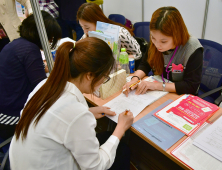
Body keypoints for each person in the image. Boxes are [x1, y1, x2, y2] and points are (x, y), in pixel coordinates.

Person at [9, 37, 134, 170]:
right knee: (121, 151)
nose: (103, 81)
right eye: (104, 77)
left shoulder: (45, 84)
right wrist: (121, 128)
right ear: (89, 75)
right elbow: (96, 166)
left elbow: (54, 118)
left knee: (108, 139)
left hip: (24, 163)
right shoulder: (75, 112)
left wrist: (88, 112)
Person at [0, 11, 61, 141]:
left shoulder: (15, 44)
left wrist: (44, 67)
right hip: (11, 117)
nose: (50, 41)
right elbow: (42, 89)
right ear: (43, 36)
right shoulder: (30, 50)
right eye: (50, 38)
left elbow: (23, 70)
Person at [123, 6, 203, 96]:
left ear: (177, 35)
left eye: (163, 41)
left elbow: (191, 86)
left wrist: (156, 86)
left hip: (182, 95)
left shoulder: (192, 48)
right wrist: (134, 79)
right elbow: (145, 64)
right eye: (153, 38)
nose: (157, 45)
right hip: (161, 92)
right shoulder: (157, 41)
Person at [77, 2, 142, 61]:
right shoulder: (88, 34)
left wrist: (121, 59)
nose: (85, 31)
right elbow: (78, 46)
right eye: (82, 27)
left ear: (98, 22)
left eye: (87, 27)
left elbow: (138, 54)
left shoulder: (120, 33)